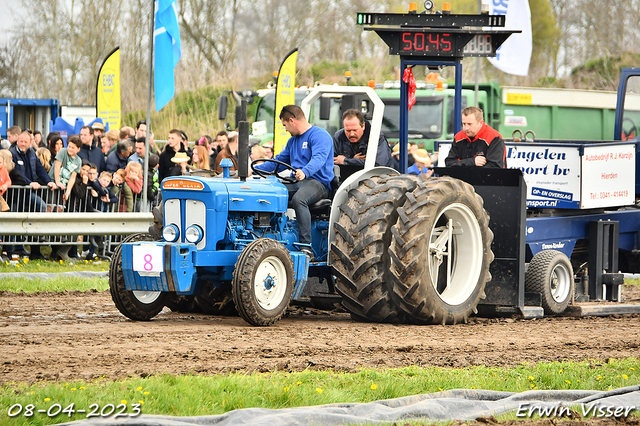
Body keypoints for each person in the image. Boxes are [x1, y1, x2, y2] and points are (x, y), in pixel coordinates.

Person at [254, 105, 334, 259]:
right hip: (297, 181)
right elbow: (278, 162)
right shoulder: (293, 141)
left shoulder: (319, 136)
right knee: (270, 193)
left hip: (318, 183)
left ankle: (306, 247)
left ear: (292, 120)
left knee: (300, 199)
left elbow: (318, 159)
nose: (285, 129)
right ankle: (268, 237)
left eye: (285, 125)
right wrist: (255, 170)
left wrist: (305, 171)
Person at [333, 108, 394, 182]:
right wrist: (354, 160)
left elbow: (379, 166)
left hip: (377, 181)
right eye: (348, 130)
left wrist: (347, 161)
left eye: (355, 130)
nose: (351, 134)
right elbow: (333, 162)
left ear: (363, 126)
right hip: (346, 182)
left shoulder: (376, 137)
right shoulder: (339, 137)